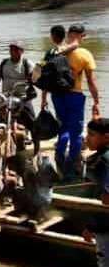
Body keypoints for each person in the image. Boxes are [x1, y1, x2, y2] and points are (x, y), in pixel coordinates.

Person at [43, 24, 101, 179]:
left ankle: (59, 158)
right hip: (75, 96)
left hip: (57, 96)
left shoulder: (55, 52)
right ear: (82, 36)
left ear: (68, 35)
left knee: (63, 129)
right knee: (75, 132)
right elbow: (90, 80)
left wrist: (43, 99)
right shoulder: (84, 54)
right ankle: (70, 167)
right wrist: (96, 100)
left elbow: (46, 77)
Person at [83, 118, 109, 267]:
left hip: (105, 224)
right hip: (99, 223)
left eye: (92, 135)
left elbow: (106, 198)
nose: (87, 138)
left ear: (106, 137)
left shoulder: (103, 161)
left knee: (107, 265)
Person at [0, 41, 35, 126]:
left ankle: (34, 138)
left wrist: (34, 79)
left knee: (32, 120)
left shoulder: (27, 63)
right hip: (5, 97)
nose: (12, 51)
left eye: (16, 49)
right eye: (11, 49)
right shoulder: (2, 63)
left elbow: (35, 78)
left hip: (22, 97)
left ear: (22, 51)